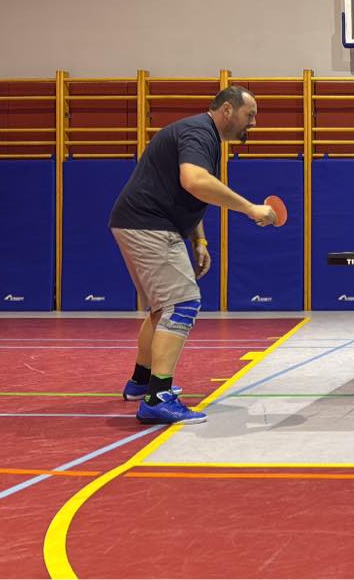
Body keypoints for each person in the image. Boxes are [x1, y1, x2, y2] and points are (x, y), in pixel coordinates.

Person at [109, 85, 277, 425]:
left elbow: (191, 193)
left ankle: (142, 382)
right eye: (250, 115)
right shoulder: (199, 133)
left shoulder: (203, 135)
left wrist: (199, 240)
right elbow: (195, 181)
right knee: (182, 304)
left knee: (162, 307)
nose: (254, 123)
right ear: (227, 110)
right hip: (149, 225)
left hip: (137, 223)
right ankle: (158, 398)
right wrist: (250, 208)